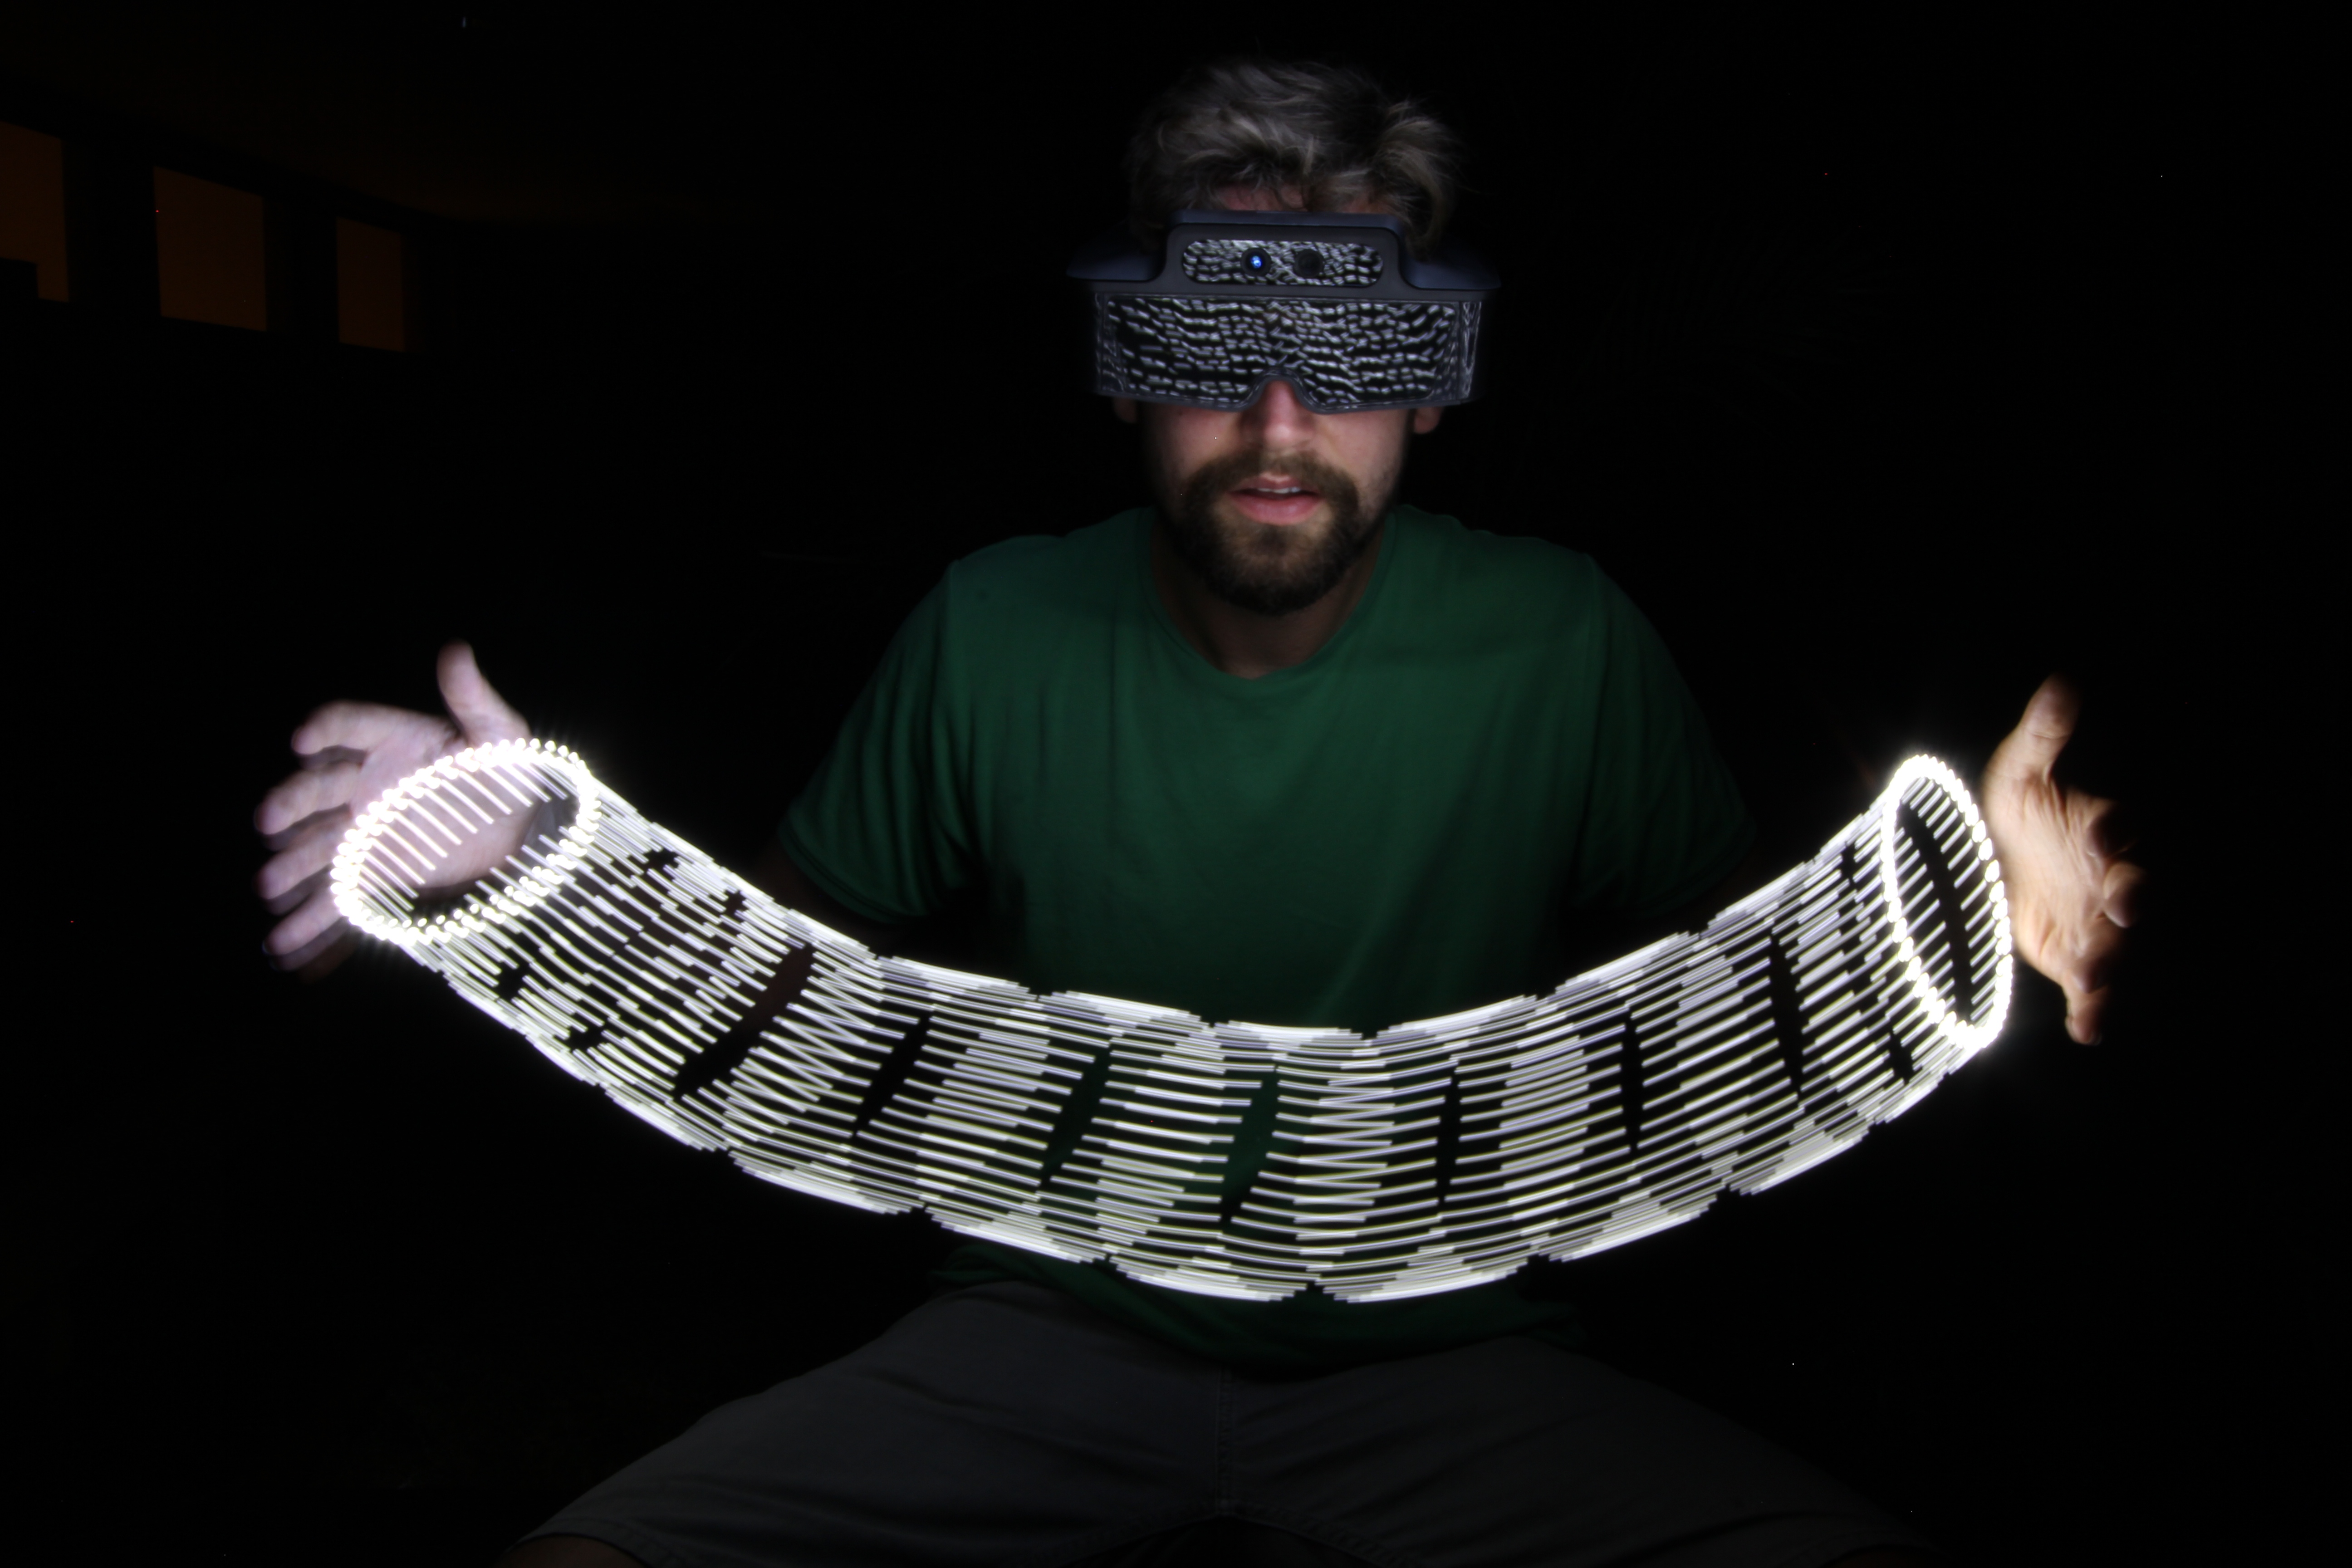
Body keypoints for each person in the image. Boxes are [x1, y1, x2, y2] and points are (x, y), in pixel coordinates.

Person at [255, 58, 2142, 1568]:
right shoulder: (992, 623)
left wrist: (1963, 909)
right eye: (1211, 345)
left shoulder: (1564, 633)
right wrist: (538, 873)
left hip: (1459, 1363)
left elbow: (1711, 994)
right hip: (1032, 1340)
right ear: (1125, 373)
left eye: (1358, 353)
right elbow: (802, 979)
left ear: (1436, 388)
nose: (1280, 417)